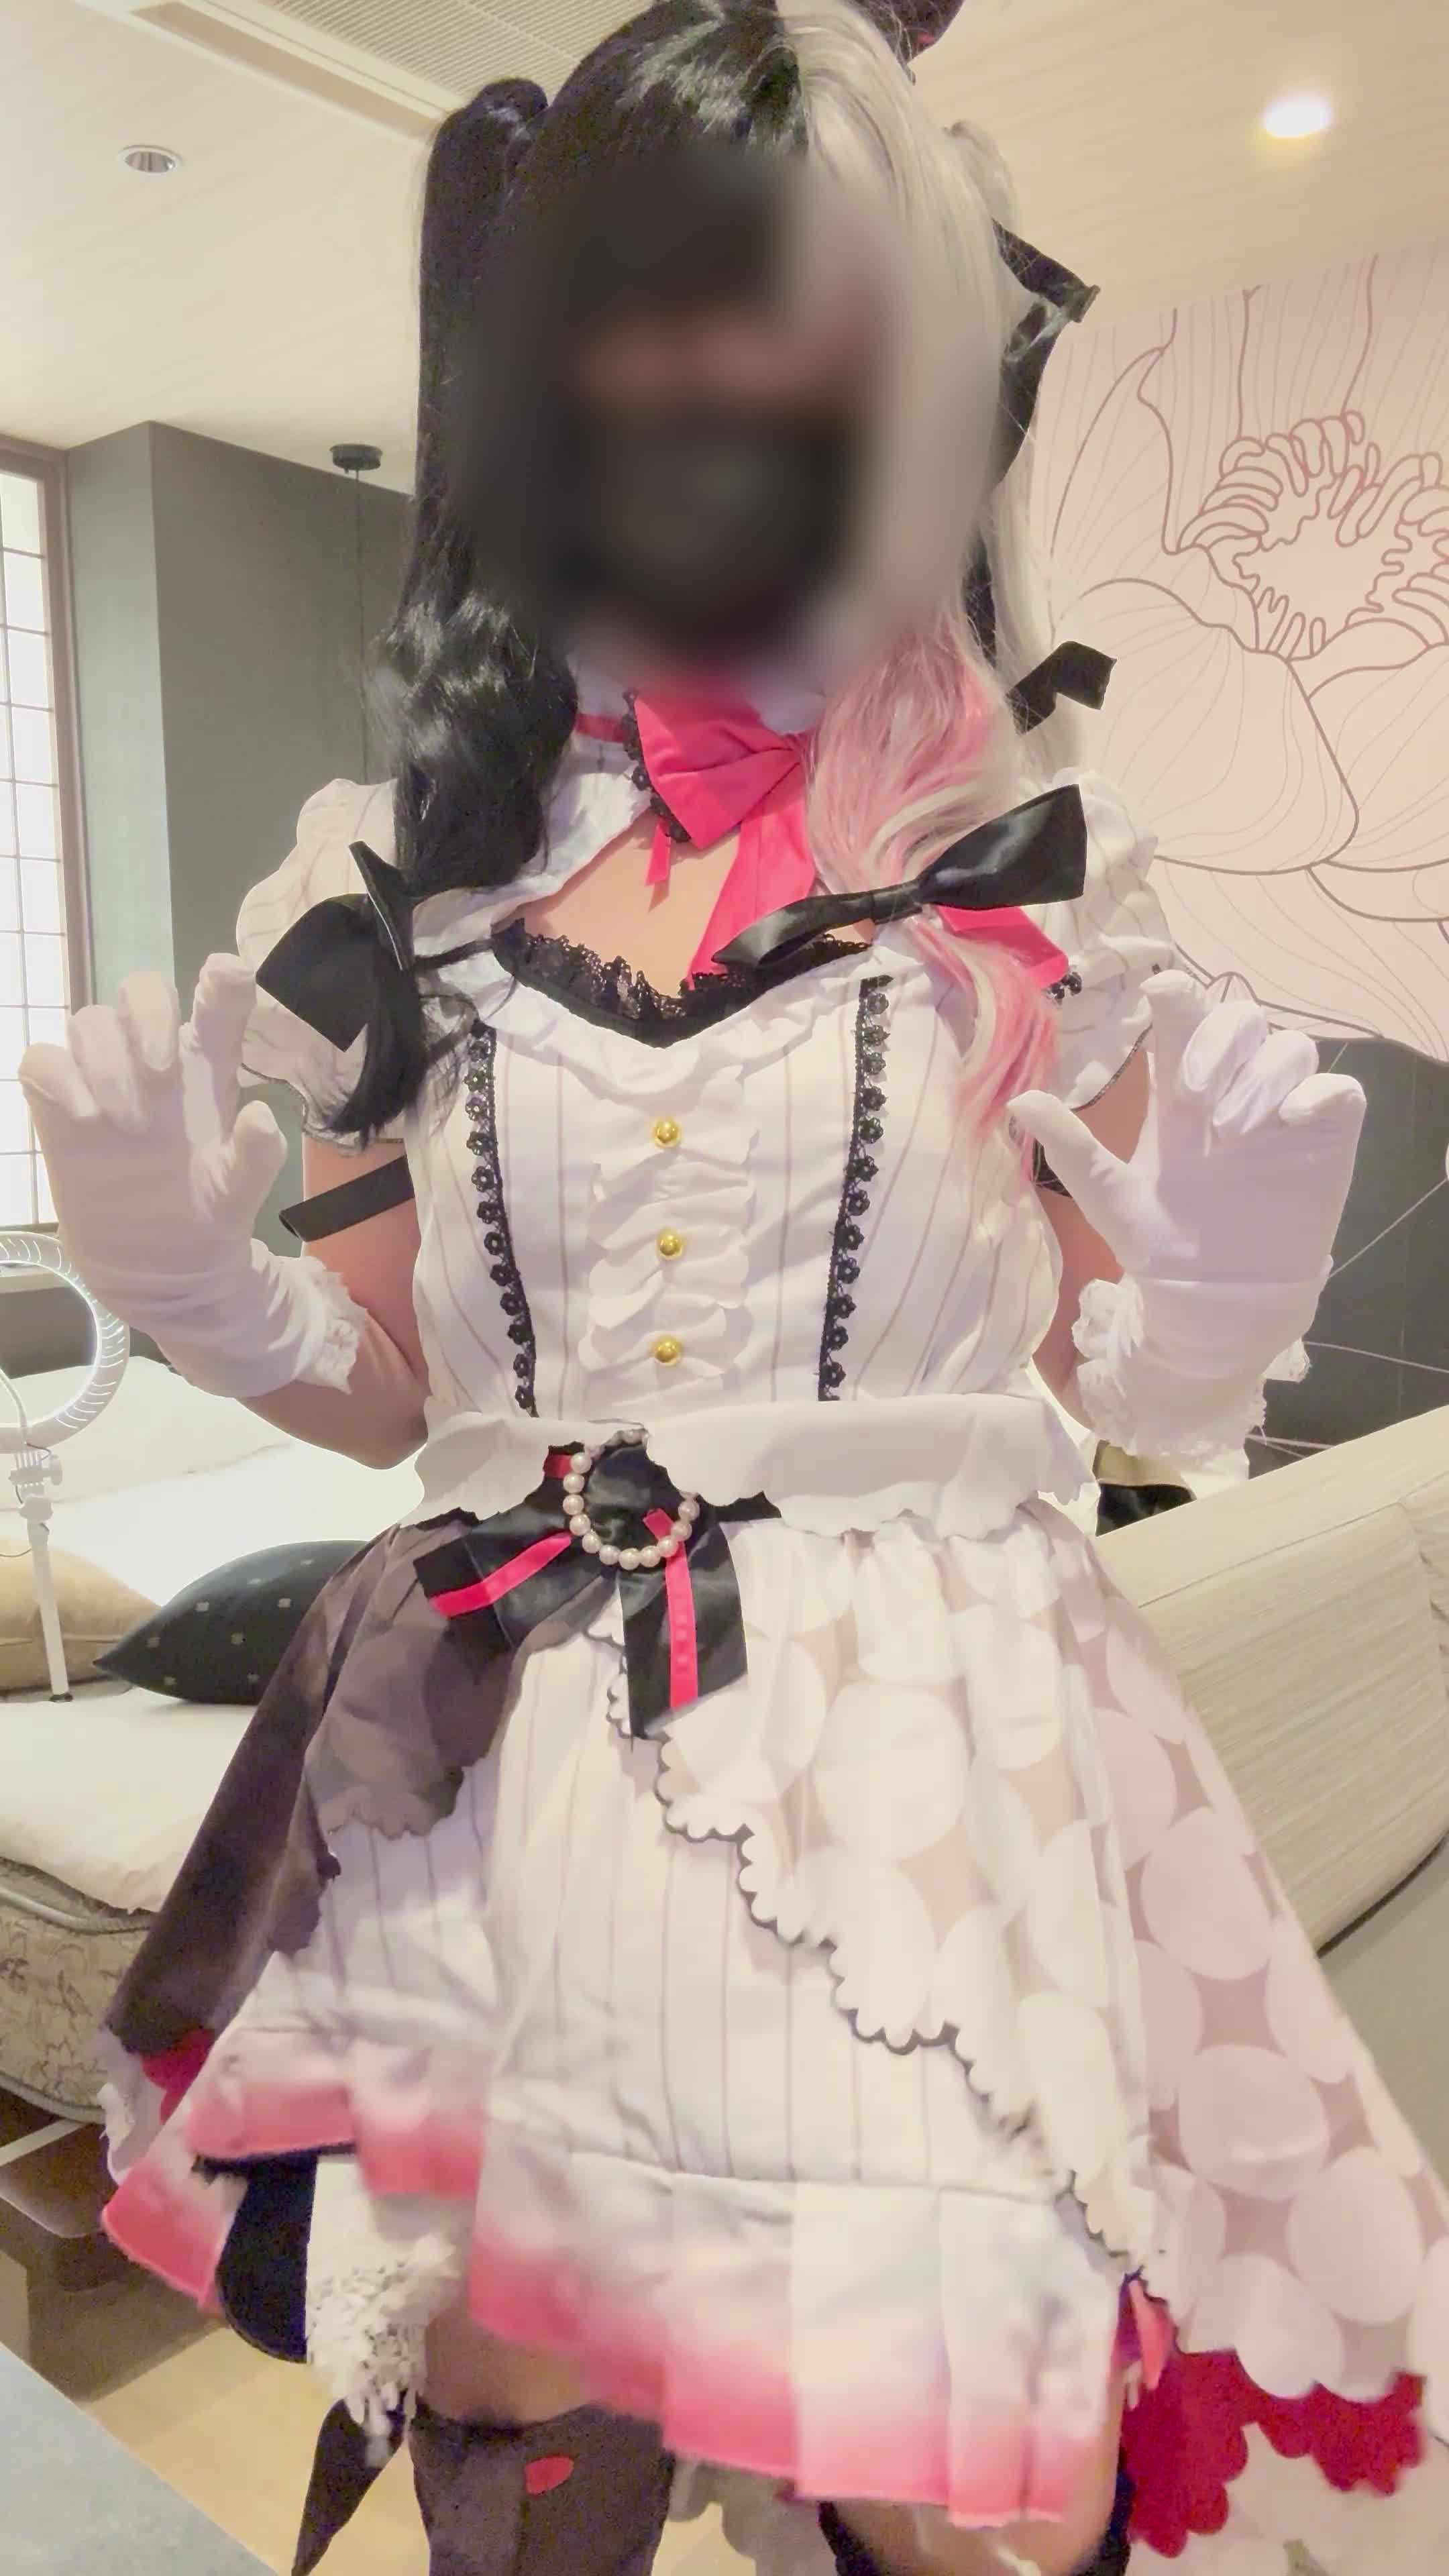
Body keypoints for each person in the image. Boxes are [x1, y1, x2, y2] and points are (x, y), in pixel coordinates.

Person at [21, 6, 1449, 2574]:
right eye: (652, 328)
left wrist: (1230, 1271)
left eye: (794, 335)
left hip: (924, 1750)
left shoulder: (1023, 847)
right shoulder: (400, 878)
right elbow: (399, 1392)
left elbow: (1120, 1388)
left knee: (939, 2470)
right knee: (524, 2417)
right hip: (520, 1750)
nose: (719, 402)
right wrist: (181, 1270)